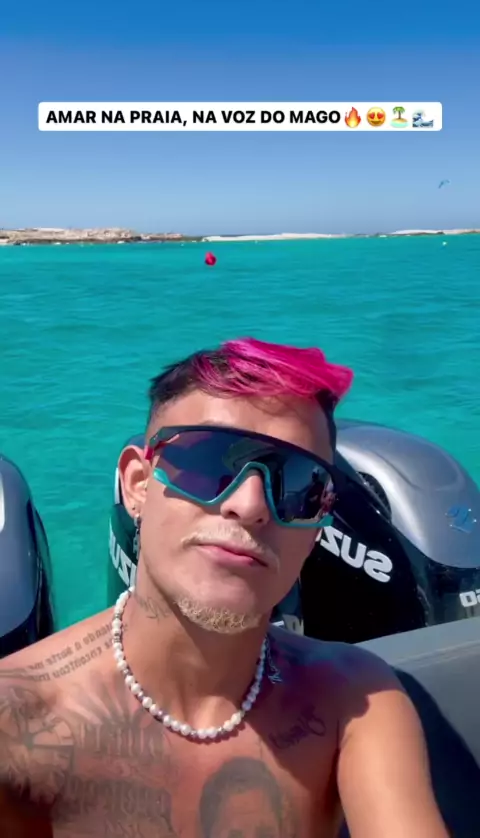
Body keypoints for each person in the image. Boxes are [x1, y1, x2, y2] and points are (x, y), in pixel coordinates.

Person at [0, 337, 449, 838]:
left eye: (296, 484)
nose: (250, 505)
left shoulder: (355, 698)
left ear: (316, 528)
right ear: (138, 484)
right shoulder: (15, 725)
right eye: (210, 462)